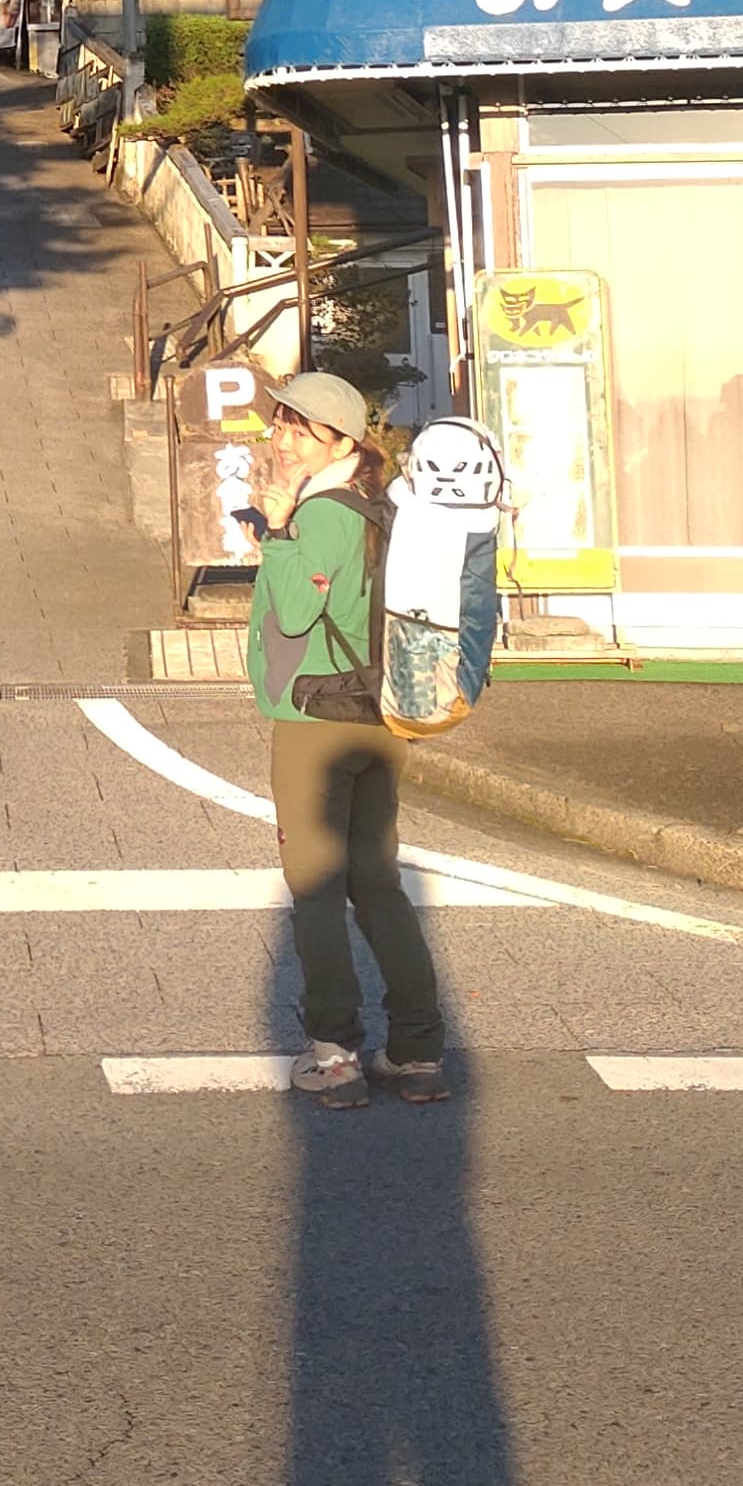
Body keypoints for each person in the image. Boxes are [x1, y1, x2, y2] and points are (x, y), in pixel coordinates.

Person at [247, 365, 448, 1110]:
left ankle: (333, 1052)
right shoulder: (380, 505)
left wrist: (275, 531)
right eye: (280, 424)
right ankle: (417, 1049)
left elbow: (296, 614)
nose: (283, 439)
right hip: (380, 717)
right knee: (378, 883)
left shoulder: (324, 513)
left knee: (318, 890)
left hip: (316, 722)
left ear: (339, 440)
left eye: (300, 429)